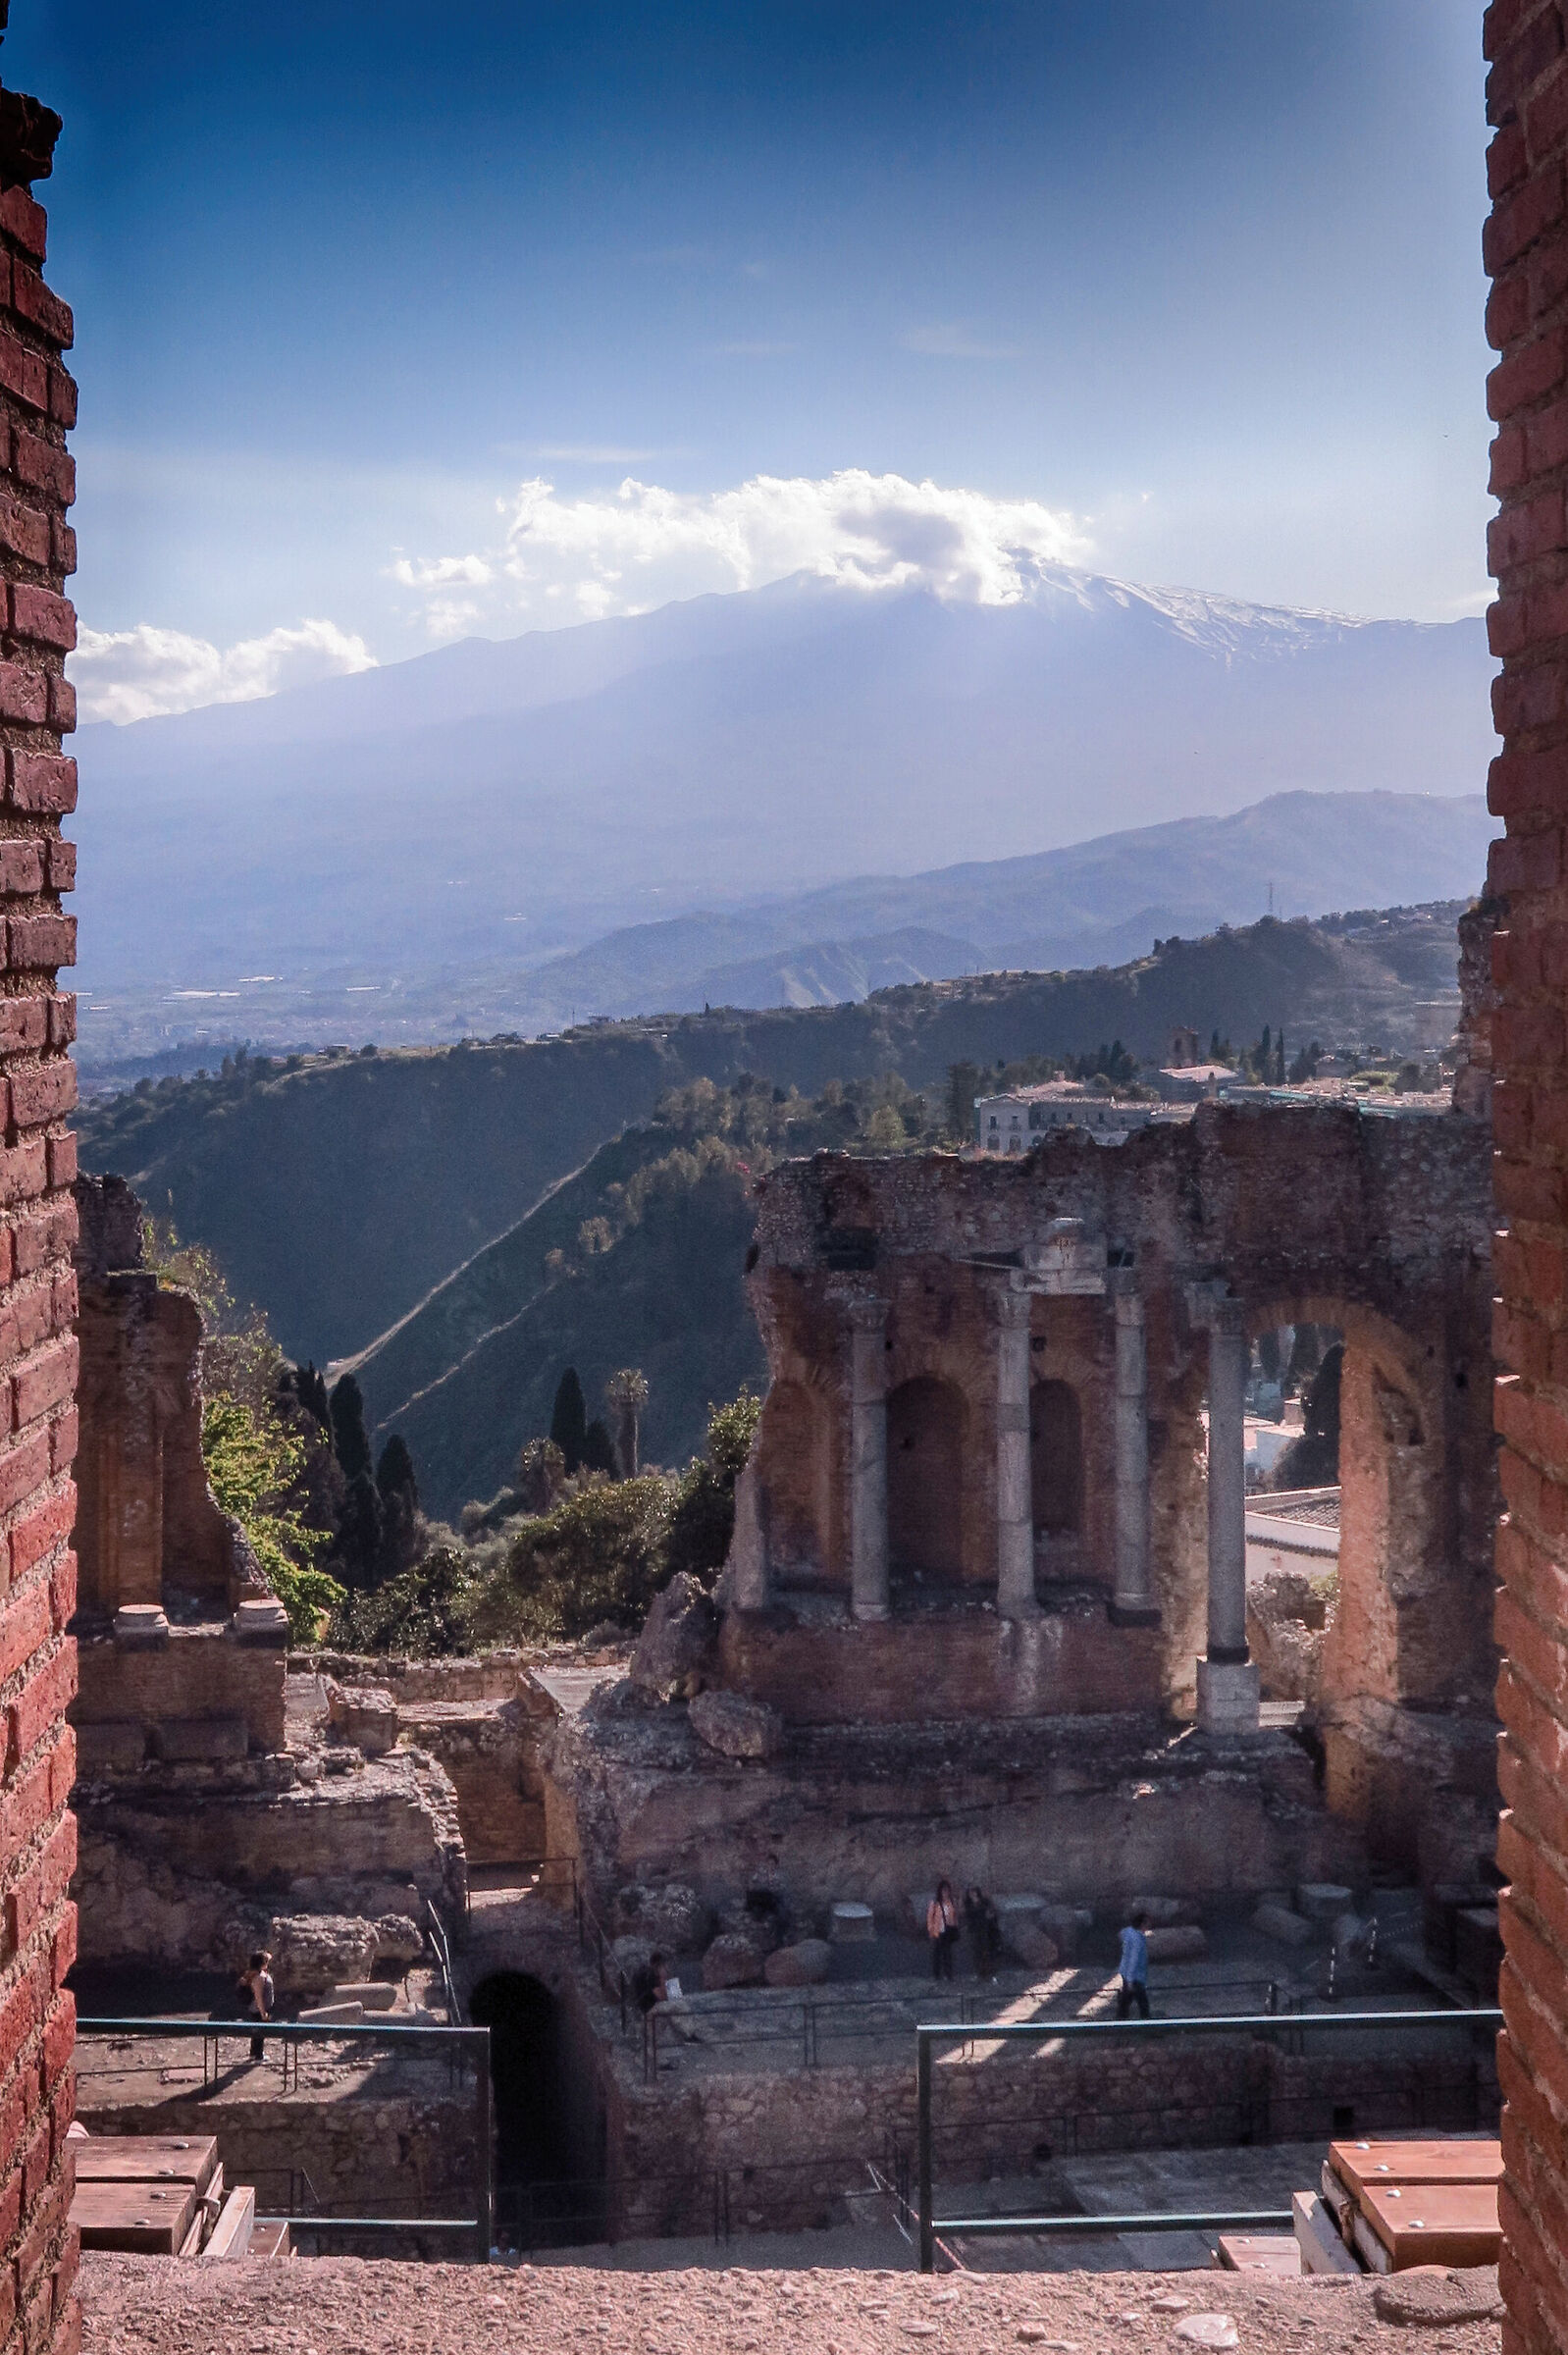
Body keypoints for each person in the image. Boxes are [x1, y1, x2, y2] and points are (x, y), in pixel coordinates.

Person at [238, 1949, 274, 2062]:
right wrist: (263, 2013)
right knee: (260, 2032)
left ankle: (254, 2053)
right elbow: (258, 1997)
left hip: (256, 2008)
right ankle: (258, 2055)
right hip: (258, 2009)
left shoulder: (258, 1975)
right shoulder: (258, 1977)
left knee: (257, 2032)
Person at [1116, 1910, 1151, 2018]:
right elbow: (1133, 1960)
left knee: (1126, 2000)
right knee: (1143, 2003)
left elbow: (1121, 1934)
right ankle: (1148, 2028)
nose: (1149, 1926)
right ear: (1142, 1924)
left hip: (1126, 1972)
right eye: (1147, 1924)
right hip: (1135, 1976)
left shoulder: (1129, 1932)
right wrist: (1130, 1980)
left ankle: (1120, 2023)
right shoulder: (1137, 1941)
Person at [963, 1885, 1001, 1980]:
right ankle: (979, 1973)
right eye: (970, 1892)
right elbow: (967, 1916)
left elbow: (991, 1913)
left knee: (986, 1951)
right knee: (977, 1952)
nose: (972, 1894)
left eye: (974, 1892)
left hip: (985, 1930)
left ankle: (989, 1973)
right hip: (974, 1930)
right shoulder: (968, 1904)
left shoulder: (984, 1902)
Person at [926, 1880, 961, 1980]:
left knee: (947, 1953)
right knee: (937, 1954)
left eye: (947, 1890)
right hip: (937, 1931)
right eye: (943, 1890)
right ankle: (936, 1974)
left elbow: (955, 1916)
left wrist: (956, 1926)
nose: (945, 1893)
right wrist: (931, 1931)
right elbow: (930, 1918)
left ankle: (948, 1974)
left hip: (948, 1931)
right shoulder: (935, 1903)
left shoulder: (951, 1903)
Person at [631, 1950, 668, 2015]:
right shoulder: (650, 1975)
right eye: (664, 1966)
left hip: (641, 2006)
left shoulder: (644, 1971)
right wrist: (663, 1978)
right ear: (659, 1965)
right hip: (648, 2009)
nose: (667, 1968)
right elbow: (663, 1997)